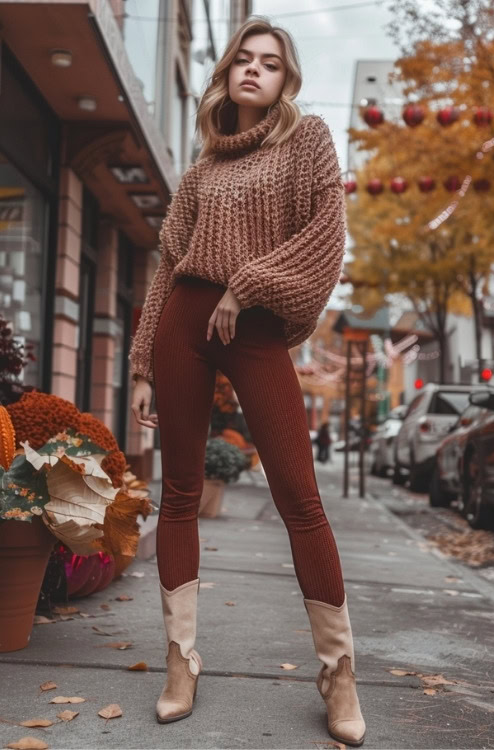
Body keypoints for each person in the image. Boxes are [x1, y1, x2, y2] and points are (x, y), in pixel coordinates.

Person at [128, 16, 366, 747]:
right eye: (244, 59)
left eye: (270, 62)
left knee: (300, 494)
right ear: (227, 72)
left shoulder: (306, 143)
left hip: (254, 326)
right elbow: (167, 267)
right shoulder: (199, 173)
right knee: (179, 493)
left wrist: (248, 285)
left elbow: (327, 234)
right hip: (183, 327)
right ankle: (181, 661)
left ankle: (339, 672)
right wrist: (142, 363)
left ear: (286, 80)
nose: (255, 70)